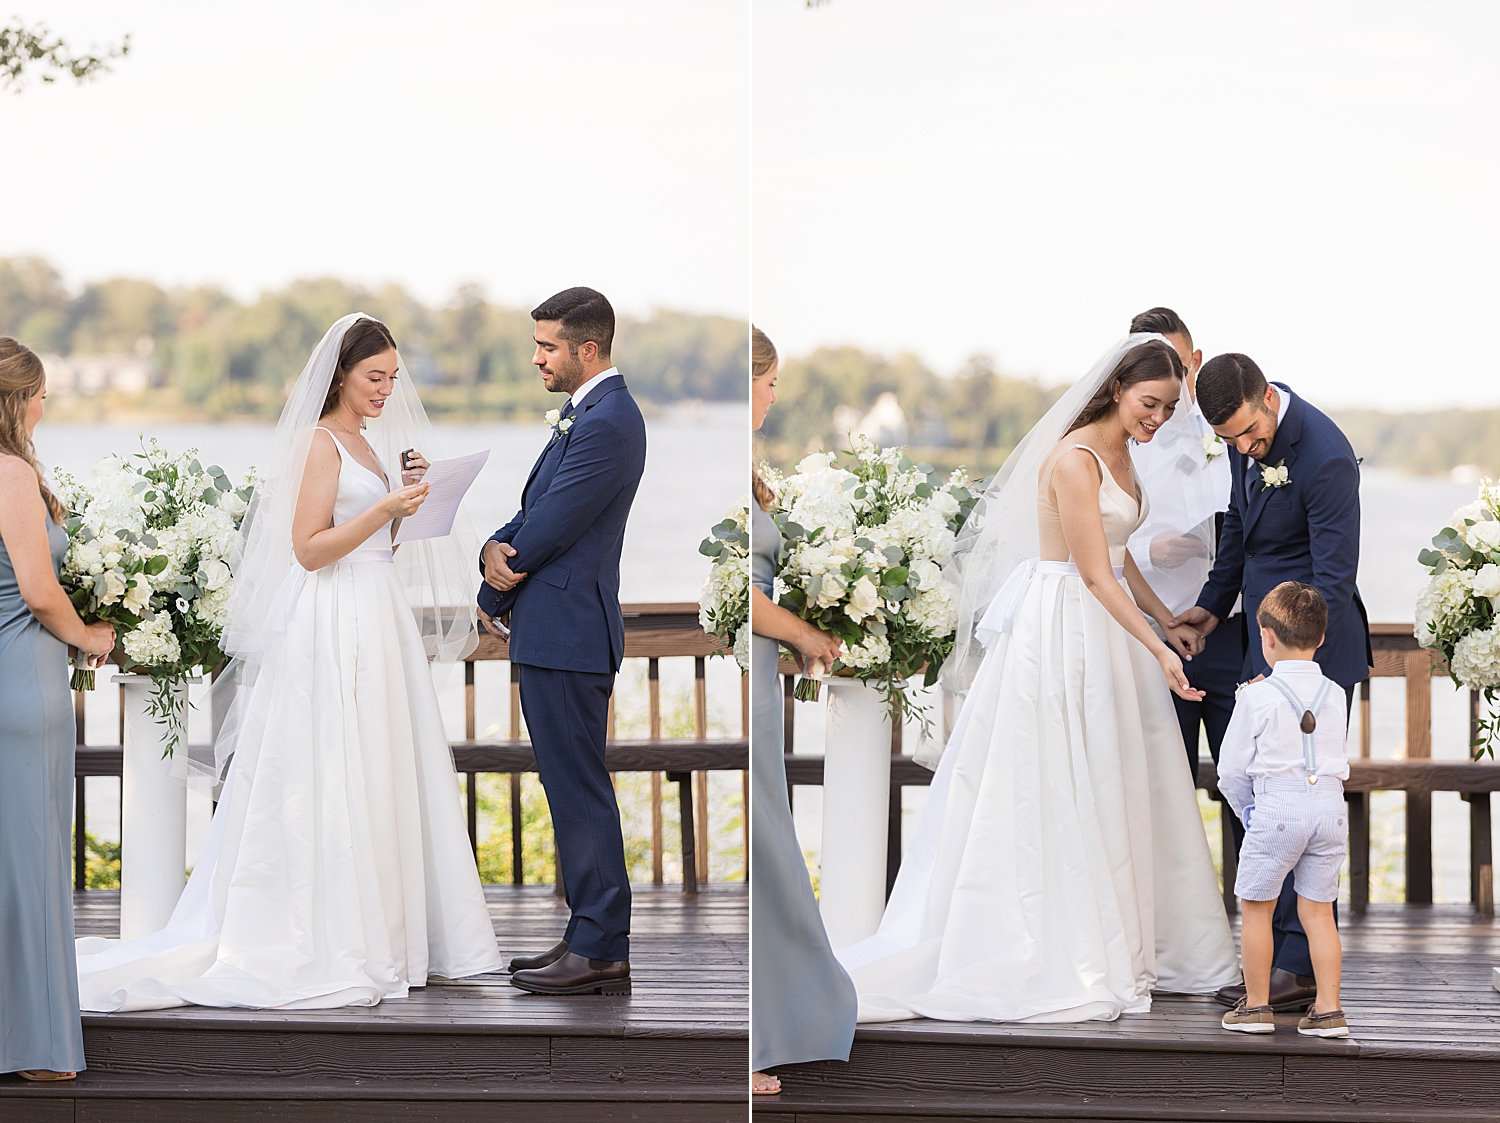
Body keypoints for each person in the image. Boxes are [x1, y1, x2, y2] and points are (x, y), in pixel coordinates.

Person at [75, 314, 501, 1011]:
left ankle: (392, 932)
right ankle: (326, 931)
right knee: (329, 763)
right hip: (330, 617)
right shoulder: (321, 440)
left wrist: (405, 505)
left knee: (379, 761)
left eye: (393, 378)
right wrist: (384, 506)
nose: (385, 391)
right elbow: (309, 547)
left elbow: (376, 546)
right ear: (340, 374)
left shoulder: (368, 444)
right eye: (374, 378)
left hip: (377, 612)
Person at [835, 335, 1240, 1023]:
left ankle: (1147, 941)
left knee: (1118, 778)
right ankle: (1067, 945)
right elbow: (1090, 571)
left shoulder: (1126, 452)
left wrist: (1167, 618)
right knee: (1059, 776)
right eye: (1151, 403)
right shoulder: (1076, 458)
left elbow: (1120, 553)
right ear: (1116, 388)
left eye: (1170, 407)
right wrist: (1159, 649)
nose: (1159, 418)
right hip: (1066, 624)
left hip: (1107, 619)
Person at [1171, 352, 1370, 1014]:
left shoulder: (1326, 455)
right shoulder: (1240, 441)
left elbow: (1333, 581)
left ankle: (1295, 965)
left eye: (1251, 436)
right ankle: (1285, 962)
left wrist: (1289, 666)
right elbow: (1240, 533)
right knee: (1271, 797)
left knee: (1303, 797)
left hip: (1314, 648)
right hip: (1264, 638)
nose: (1246, 450)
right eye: (1231, 441)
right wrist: (1209, 602)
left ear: (1267, 396)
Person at [478, 287, 646, 996]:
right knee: (568, 784)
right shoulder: (590, 413)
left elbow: (549, 526)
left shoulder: (608, 421)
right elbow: (534, 510)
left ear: (588, 349)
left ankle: (603, 944)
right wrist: (492, 540)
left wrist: (493, 584)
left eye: (548, 346)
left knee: (579, 787)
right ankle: (587, 934)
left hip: (570, 632)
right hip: (557, 631)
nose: (537, 357)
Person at [0, 338, 115, 1079]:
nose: (47, 406)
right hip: (22, 684)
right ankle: (38, 1048)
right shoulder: (10, 472)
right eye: (41, 394)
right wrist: (90, 635)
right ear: (19, 402)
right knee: (31, 867)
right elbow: (40, 591)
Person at [747, 327, 856, 1094]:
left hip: (759, 672)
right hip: (747, 663)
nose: (773, 395)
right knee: (762, 838)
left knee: (769, 831)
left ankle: (781, 1017)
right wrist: (811, 633)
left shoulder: (748, 469)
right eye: (770, 380)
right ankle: (752, 1039)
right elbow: (743, 598)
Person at [1217, 582, 1349, 1039]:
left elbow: (1231, 770)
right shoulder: (1336, 693)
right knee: (1318, 911)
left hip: (1277, 807)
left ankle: (1255, 1007)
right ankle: (1328, 1010)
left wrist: (1247, 811)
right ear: (1322, 638)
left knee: (1256, 908)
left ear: (1266, 637)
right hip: (1330, 809)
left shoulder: (1255, 696)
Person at [1125, 309, 1244, 783]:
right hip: (1153, 637)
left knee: (1244, 784)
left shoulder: (1233, 432)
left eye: (1175, 364)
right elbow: (1097, 543)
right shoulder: (1126, 442)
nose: (1168, 381)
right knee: (1158, 790)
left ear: (1195, 360)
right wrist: (1154, 551)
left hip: (1230, 636)